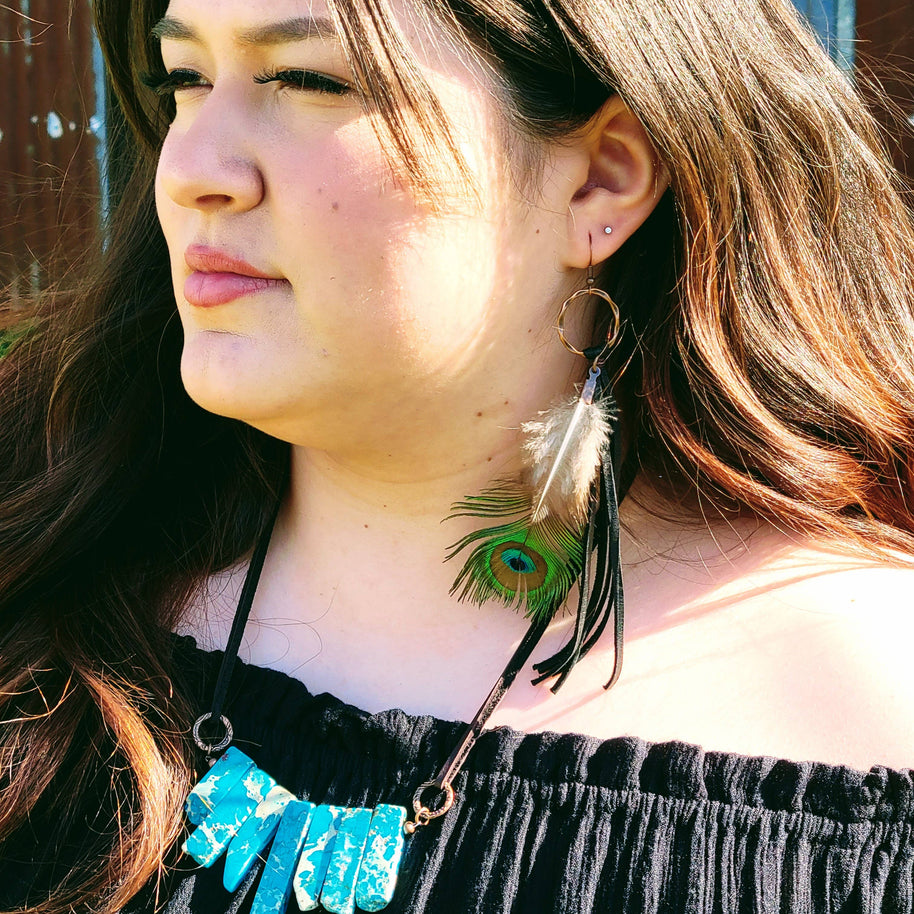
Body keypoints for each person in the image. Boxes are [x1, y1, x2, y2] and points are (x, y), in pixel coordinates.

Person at [2, 0, 914, 911]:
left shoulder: (872, 715)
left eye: (312, 80)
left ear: (599, 179)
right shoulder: (39, 599)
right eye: (186, 79)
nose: (191, 168)